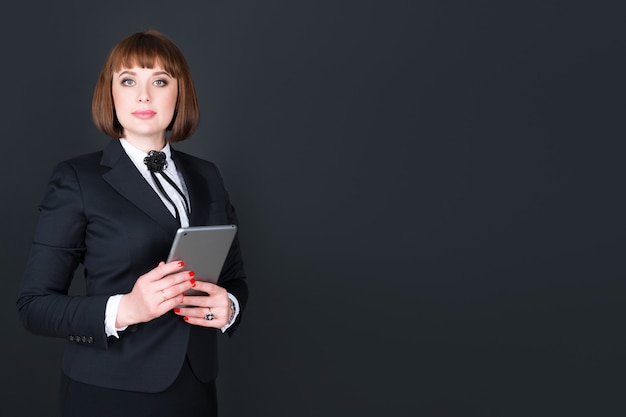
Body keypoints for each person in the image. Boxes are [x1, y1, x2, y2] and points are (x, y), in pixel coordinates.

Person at [16, 30, 248, 417]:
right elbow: (33, 306)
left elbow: (235, 275)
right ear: (111, 94)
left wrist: (231, 309)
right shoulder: (76, 178)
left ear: (180, 94)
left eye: (159, 81)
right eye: (128, 81)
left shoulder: (208, 176)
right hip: (109, 391)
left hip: (196, 389)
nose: (144, 95)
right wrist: (126, 309)